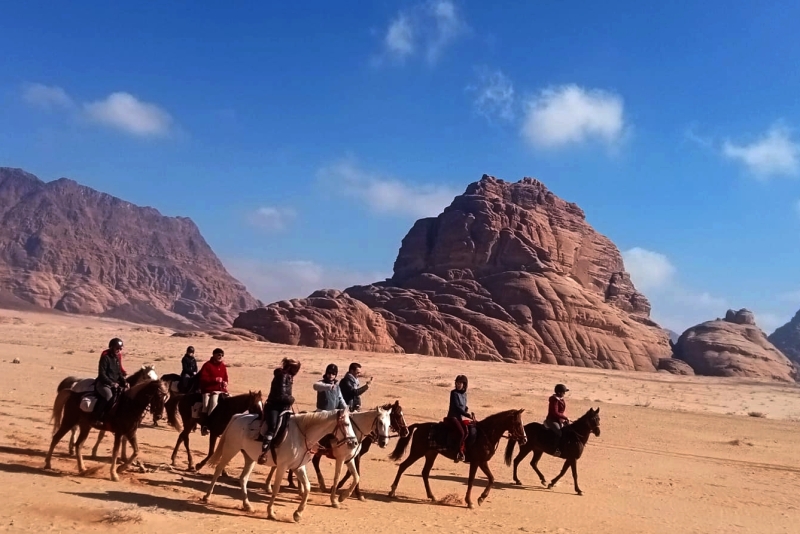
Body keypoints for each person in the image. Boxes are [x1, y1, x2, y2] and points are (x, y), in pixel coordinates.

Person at [257, 357, 301, 464]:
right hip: (274, 406)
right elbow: (281, 395)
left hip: (283, 407)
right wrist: (291, 399)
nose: (296, 372)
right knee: (272, 426)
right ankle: (264, 452)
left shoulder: (289, 377)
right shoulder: (282, 376)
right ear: (290, 367)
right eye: (296, 369)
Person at [92, 337, 128, 424]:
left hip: (114, 383)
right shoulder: (105, 358)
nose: (119, 350)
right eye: (117, 348)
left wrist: (124, 382)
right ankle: (98, 417)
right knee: (109, 396)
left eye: (120, 348)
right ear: (111, 347)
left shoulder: (116, 358)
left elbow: (119, 372)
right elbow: (102, 374)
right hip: (103, 383)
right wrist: (111, 383)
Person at [198, 348, 228, 434]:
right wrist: (214, 379)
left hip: (221, 390)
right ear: (214, 355)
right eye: (218, 354)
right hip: (208, 390)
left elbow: (225, 377)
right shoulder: (207, 365)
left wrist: (225, 382)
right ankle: (205, 425)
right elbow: (203, 378)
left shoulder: (223, 366)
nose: (220, 356)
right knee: (207, 406)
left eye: (222, 355)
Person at [445, 374, 473, 462]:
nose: (458, 385)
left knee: (469, 431)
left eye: (460, 383)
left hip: (459, 418)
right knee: (461, 433)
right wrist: (467, 415)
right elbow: (457, 407)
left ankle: (466, 451)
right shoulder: (454, 393)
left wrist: (466, 409)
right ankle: (458, 452)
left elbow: (463, 407)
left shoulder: (464, 394)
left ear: (464, 384)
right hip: (452, 417)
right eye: (457, 383)